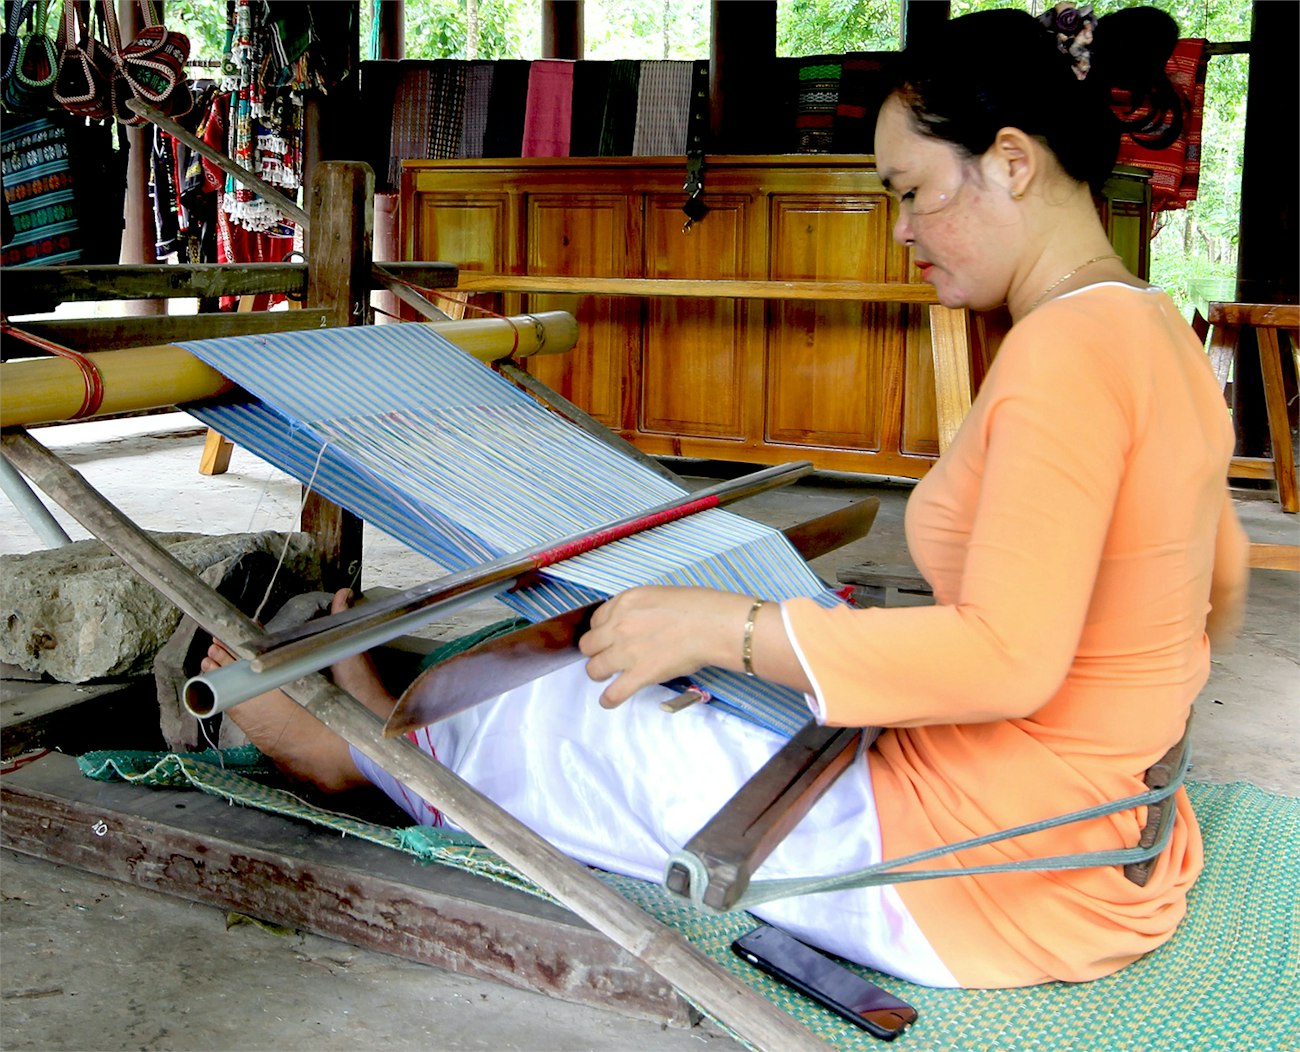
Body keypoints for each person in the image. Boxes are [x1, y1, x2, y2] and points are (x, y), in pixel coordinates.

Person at [204, 6, 1249, 989]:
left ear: (1011, 162)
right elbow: (1219, 594)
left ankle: (364, 752)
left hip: (974, 864)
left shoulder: (1062, 357)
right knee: (641, 667)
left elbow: (1010, 657)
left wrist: (735, 625)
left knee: (581, 713)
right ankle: (397, 712)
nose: (900, 229)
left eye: (911, 190)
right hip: (1102, 833)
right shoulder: (1153, 330)